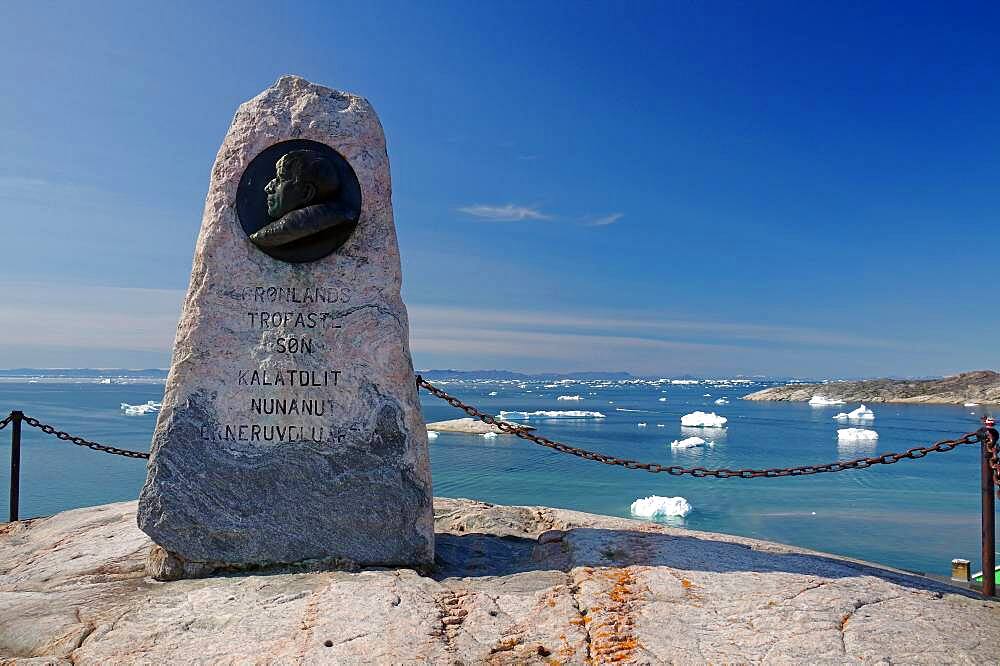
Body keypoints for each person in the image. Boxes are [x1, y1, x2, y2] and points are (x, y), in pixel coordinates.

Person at [249, 149, 357, 249]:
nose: (268, 187)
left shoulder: (266, 238)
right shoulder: (343, 214)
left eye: (280, 180)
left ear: (306, 193)